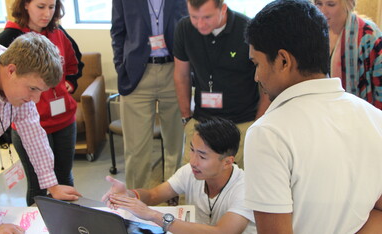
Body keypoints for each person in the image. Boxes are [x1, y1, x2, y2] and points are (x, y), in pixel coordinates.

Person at [242, 0, 382, 233]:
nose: (257, 76)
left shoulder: (267, 134)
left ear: (283, 61)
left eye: (257, 64)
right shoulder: (374, 118)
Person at [0, 33, 81, 234]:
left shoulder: (12, 67)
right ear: (11, 71)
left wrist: (52, 184)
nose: (36, 100)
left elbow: (33, 133)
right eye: (33, 89)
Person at [0, 0, 82, 206]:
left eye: (51, 7)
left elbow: (74, 61)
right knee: (39, 186)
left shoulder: (58, 32)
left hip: (61, 119)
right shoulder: (7, 40)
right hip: (32, 122)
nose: (47, 13)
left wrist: (70, 82)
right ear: (25, 5)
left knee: (62, 178)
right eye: (41, 7)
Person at [102, 117, 256, 234]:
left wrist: (153, 215)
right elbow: (154, 195)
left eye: (202, 156)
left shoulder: (245, 188)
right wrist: (129, 194)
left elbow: (221, 232)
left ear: (227, 162)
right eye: (192, 150)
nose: (193, 161)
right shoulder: (191, 171)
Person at [173, 0, 270, 169]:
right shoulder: (184, 28)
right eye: (194, 17)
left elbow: (266, 83)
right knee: (192, 183)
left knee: (239, 185)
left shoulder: (248, 29)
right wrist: (186, 117)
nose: (200, 24)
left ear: (223, 9)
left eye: (207, 17)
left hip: (242, 122)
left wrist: (257, 125)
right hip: (201, 121)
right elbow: (181, 75)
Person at [111, 0, 188, 189]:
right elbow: (117, 32)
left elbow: (191, 26)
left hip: (175, 71)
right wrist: (121, 68)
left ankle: (173, 195)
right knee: (137, 150)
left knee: (176, 145)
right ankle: (137, 200)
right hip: (137, 75)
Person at [314, 0, 382, 110]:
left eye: (331, 4)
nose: (322, 11)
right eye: (319, 4)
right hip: (323, 111)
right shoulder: (314, 34)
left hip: (362, 114)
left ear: (347, 5)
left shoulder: (369, 36)